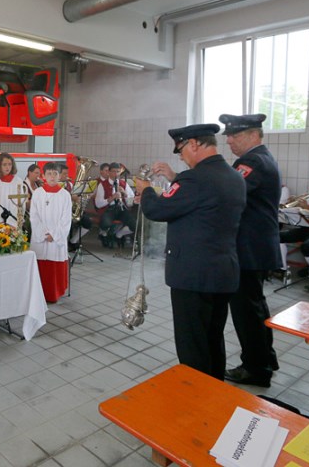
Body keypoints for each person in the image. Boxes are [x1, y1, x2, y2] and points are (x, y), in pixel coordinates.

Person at [138, 123, 246, 380]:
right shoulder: (234, 176)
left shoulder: (195, 179)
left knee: (192, 344)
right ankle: (214, 389)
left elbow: (158, 210)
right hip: (222, 272)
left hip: (193, 275)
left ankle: (197, 401)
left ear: (194, 144)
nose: (181, 156)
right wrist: (176, 178)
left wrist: (146, 190)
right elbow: (202, 201)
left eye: (181, 150)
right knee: (212, 337)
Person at [219, 113, 281, 388]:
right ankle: (266, 357)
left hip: (248, 248)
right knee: (255, 306)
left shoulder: (253, 161)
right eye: (229, 136)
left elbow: (228, 194)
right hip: (256, 245)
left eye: (236, 135)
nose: (229, 140)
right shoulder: (262, 158)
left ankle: (256, 368)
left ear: (255, 135)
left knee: (246, 310)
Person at [30, 163, 72, 302]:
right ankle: (37, 294)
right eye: (49, 174)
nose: (52, 177)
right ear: (43, 176)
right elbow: (34, 216)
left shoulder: (65, 195)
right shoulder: (37, 193)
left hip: (56, 238)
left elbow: (66, 219)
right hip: (40, 237)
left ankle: (54, 293)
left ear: (60, 176)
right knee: (40, 263)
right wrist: (43, 234)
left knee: (54, 265)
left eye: (55, 173)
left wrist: (54, 235)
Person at [95, 162, 136, 246]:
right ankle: (104, 235)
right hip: (108, 209)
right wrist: (112, 198)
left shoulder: (124, 184)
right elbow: (98, 204)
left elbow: (132, 201)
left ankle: (118, 235)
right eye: (113, 171)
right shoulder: (102, 185)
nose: (116, 174)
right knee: (105, 223)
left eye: (117, 171)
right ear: (109, 172)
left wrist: (124, 193)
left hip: (121, 209)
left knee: (134, 225)